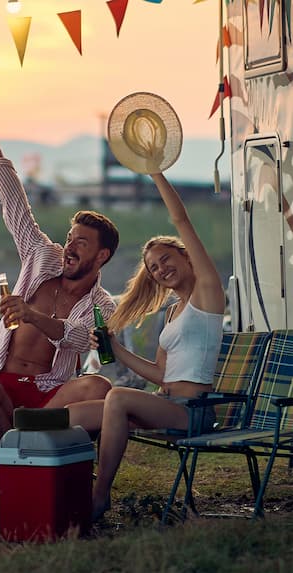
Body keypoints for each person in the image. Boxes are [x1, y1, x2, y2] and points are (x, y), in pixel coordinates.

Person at [0, 96, 119, 455]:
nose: (69, 247)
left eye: (80, 243)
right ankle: (14, 458)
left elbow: (80, 341)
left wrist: (32, 316)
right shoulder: (40, 256)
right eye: (69, 238)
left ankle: (23, 443)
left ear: (101, 256)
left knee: (98, 388)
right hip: (4, 384)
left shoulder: (103, 304)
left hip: (51, 394)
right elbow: (14, 202)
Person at [67, 172, 225, 519]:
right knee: (73, 415)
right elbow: (160, 373)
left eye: (167, 259)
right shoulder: (171, 314)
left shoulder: (208, 294)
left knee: (118, 397)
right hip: (164, 403)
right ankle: (60, 488)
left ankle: (99, 495)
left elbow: (181, 219)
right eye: (153, 268)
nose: (160, 270)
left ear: (186, 256)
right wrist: (114, 348)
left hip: (193, 412)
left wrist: (154, 171)